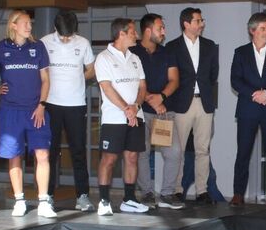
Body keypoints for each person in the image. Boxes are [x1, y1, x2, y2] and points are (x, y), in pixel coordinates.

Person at [0, 10, 55, 218]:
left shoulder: (38, 47)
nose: (29, 27)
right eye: (25, 23)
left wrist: (42, 105)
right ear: (13, 25)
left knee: (43, 154)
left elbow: (46, 79)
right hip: (10, 110)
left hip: (36, 110)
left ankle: (44, 200)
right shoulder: (0, 48)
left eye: (31, 23)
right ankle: (19, 200)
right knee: (14, 155)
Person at [230, 12, 266, 207]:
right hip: (248, 109)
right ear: (252, 30)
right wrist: (255, 94)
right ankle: (238, 193)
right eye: (263, 29)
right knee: (243, 153)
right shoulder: (240, 52)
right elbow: (235, 80)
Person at [42, 11, 95, 212]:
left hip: (76, 104)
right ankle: (47, 195)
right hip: (51, 104)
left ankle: (82, 196)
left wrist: (80, 76)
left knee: (78, 152)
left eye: (69, 35)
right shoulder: (45, 42)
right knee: (50, 152)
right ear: (55, 29)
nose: (66, 39)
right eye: (63, 35)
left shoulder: (83, 43)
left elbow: (91, 69)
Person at [131, 13, 184, 210]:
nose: (164, 31)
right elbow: (130, 82)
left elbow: (174, 80)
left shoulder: (167, 52)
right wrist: (150, 100)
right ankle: (146, 193)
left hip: (163, 112)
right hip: (140, 112)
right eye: (160, 27)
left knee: (174, 152)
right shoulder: (132, 52)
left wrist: (160, 97)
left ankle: (167, 194)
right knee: (142, 153)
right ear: (148, 30)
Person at [94, 18, 147, 216]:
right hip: (114, 119)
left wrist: (136, 107)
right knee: (109, 158)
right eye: (133, 32)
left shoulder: (135, 58)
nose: (137, 36)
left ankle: (129, 199)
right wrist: (127, 108)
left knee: (132, 157)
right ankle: (104, 200)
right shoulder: (104, 58)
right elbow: (106, 88)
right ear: (121, 34)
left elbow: (142, 86)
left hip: (136, 115)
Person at [166, 8, 218, 204]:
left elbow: (213, 75)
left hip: (204, 103)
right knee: (177, 150)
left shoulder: (210, 46)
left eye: (202, 20)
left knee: (202, 149)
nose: (201, 24)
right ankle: (177, 190)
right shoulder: (172, 46)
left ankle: (201, 191)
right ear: (186, 24)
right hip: (181, 104)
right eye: (198, 21)